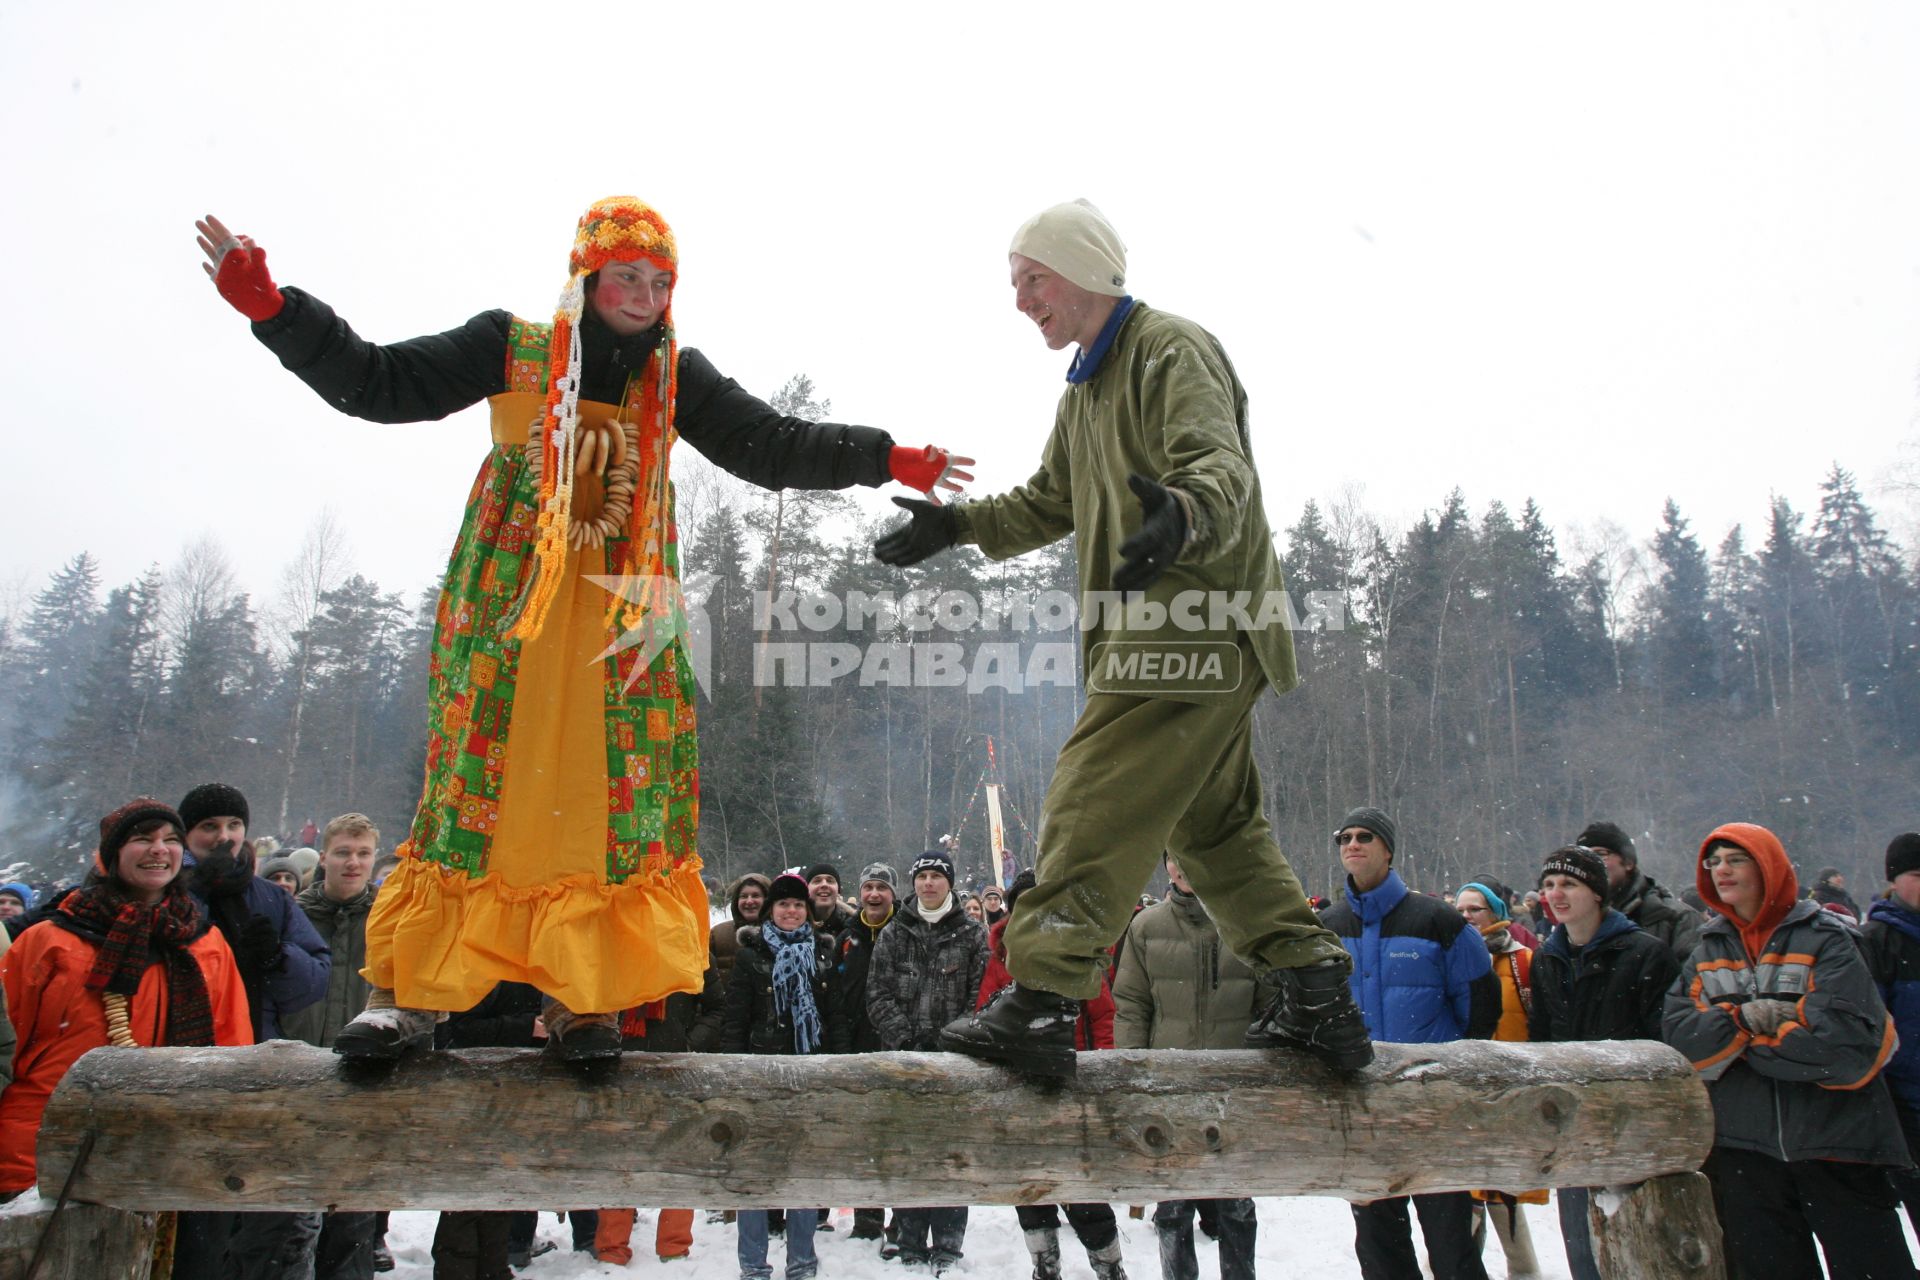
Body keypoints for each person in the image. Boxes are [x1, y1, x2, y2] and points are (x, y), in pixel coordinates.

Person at [196, 199, 969, 1063]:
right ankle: (406, 997)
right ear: (588, 276)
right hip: (510, 606)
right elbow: (381, 382)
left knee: (610, 805)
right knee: (475, 792)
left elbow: (769, 444)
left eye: (660, 280)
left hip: (623, 618)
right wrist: (277, 312)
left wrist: (884, 456)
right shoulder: (512, 345)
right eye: (627, 276)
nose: (644, 294)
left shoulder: (673, 376)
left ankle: (581, 1002)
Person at [883, 199, 1368, 1078]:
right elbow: (1047, 501)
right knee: (1213, 829)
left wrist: (1182, 514)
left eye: (1034, 280)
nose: (1022, 300)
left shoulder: (1172, 351)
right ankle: (1315, 989)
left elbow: (1216, 463)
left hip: (1194, 618)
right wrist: (954, 527)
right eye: (1015, 284)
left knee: (1090, 794)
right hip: (1169, 634)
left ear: (1086, 271)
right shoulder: (1086, 389)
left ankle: (1041, 999)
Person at [1664, 823, 1915, 1280]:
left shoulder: (1827, 938)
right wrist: (1747, 1020)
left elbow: (1846, 1048)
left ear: (1768, 867)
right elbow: (1681, 1046)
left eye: (1734, 859)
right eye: (1713, 861)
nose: (1721, 869)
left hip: (1838, 1144)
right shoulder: (1706, 948)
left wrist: (1739, 1047)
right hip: (1746, 1154)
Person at [0, 798, 253, 1206]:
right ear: (111, 855)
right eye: (142, 839)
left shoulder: (206, 943)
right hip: (37, 1147)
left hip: (158, 1150)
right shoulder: (48, 940)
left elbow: (231, 1053)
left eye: (171, 839)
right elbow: (5, 1045)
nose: (159, 849)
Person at [1317, 807, 1497, 1280]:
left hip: (1432, 1106)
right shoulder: (1328, 925)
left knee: (1452, 1245)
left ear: (1388, 849)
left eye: (1365, 837)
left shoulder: (1438, 919)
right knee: (1379, 1250)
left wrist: (1447, 1067)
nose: (1353, 844)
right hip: (1360, 1106)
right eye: (1345, 838)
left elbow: (1479, 1007)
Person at [173, 782, 332, 1280]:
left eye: (234, 826)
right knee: (185, 1217)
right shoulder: (170, 891)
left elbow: (314, 981)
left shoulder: (269, 897)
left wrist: (276, 957)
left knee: (256, 1209)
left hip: (254, 1058)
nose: (224, 837)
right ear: (186, 835)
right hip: (178, 1063)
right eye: (209, 827)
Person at [1529, 847, 1679, 1280]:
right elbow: (1541, 1039)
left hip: (1630, 1123)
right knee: (1583, 1251)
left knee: (1641, 1250)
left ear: (1596, 893)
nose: (1556, 894)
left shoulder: (1646, 954)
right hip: (1569, 1125)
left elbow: (1664, 1047)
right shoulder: (1546, 958)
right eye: (1550, 884)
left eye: (1569, 884)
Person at [1113, 853, 1256, 1280]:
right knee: (1173, 1207)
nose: (1182, 866)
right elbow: (1132, 1004)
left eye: (1190, 854)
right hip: (1169, 1083)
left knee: (1237, 1206)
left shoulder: (1246, 922)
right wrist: (1133, 1071)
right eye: (1173, 857)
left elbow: (1269, 1003)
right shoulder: (1146, 926)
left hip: (1235, 1083)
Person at [867, 850, 987, 1272]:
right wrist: (905, 1037)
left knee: (952, 1154)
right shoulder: (895, 932)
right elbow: (877, 994)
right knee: (906, 1151)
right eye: (922, 877)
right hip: (902, 1059)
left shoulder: (972, 934)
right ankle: (910, 1241)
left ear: (949, 883)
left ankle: (949, 1245)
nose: (928, 884)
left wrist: (950, 1040)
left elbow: (980, 1000)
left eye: (937, 876)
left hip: (955, 1062)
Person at [722, 873, 841, 1280]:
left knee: (802, 1173)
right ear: (771, 910)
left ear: (807, 911)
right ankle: (753, 1265)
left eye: (797, 905)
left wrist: (838, 1067)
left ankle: (802, 1262)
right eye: (783, 905)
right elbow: (735, 1017)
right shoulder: (751, 955)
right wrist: (732, 1069)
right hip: (760, 1072)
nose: (791, 912)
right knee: (753, 1173)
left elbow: (834, 1018)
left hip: (810, 1072)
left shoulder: (823, 954)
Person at [283, 813, 385, 1280]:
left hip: (362, 1080)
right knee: (281, 1222)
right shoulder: (291, 916)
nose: (353, 862)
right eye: (344, 852)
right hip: (292, 1076)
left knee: (351, 1225)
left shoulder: (390, 918)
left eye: (363, 854)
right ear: (323, 857)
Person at [1453, 881, 1544, 1277]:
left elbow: (1541, 1024)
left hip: (1512, 1091)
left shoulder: (1524, 961)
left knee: (1502, 1191)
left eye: (1475, 910)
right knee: (1464, 1191)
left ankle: (1522, 1270)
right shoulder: (1451, 958)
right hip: (1463, 1092)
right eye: (1460, 911)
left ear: (1495, 913)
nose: (1467, 918)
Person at [830, 861, 899, 1244]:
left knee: (900, 1136)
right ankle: (867, 1218)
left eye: (882, 888)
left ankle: (902, 1219)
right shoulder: (848, 935)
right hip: (857, 1045)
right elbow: (837, 994)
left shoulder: (906, 931)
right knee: (863, 1138)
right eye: (869, 887)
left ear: (892, 893)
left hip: (896, 1044)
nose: (874, 894)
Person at [1866, 832, 1920, 1234]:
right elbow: (1870, 1032)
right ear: (1894, 879)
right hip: (1906, 1107)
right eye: (1918, 874)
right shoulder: (1876, 942)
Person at [1576, 820, 1700, 963]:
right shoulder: (1575, 920)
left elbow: (1690, 980)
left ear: (1628, 863)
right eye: (1584, 858)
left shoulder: (1675, 918)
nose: (1591, 863)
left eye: (1600, 854)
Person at [691, 872, 771, 1051]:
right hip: (723, 1034)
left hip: (765, 1034)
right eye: (743, 896)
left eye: (756, 896)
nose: (749, 901)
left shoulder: (780, 937)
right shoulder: (718, 935)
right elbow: (701, 992)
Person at [805, 862, 855, 935]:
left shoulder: (855, 927)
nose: (824, 884)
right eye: (817, 881)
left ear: (838, 891)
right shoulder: (792, 924)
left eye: (830, 881)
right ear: (807, 890)